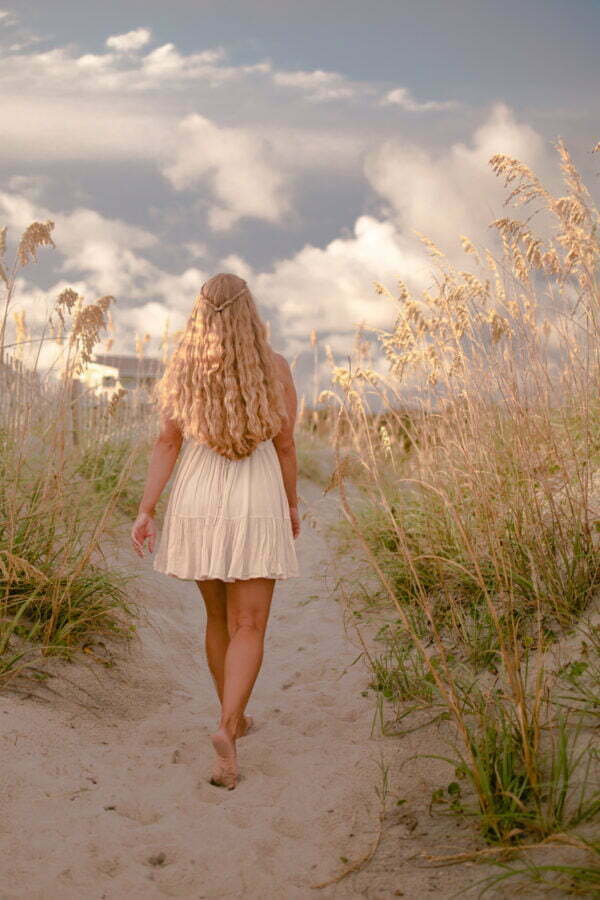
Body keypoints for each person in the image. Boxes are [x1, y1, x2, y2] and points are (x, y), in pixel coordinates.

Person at [130, 272, 300, 790]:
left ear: (200, 315)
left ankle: (233, 718)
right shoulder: (276, 369)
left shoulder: (183, 371)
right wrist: (291, 505)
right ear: (250, 313)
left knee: (216, 618)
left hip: (198, 496)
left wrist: (146, 509)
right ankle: (230, 725)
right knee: (249, 623)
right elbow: (287, 447)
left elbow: (166, 444)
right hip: (256, 496)